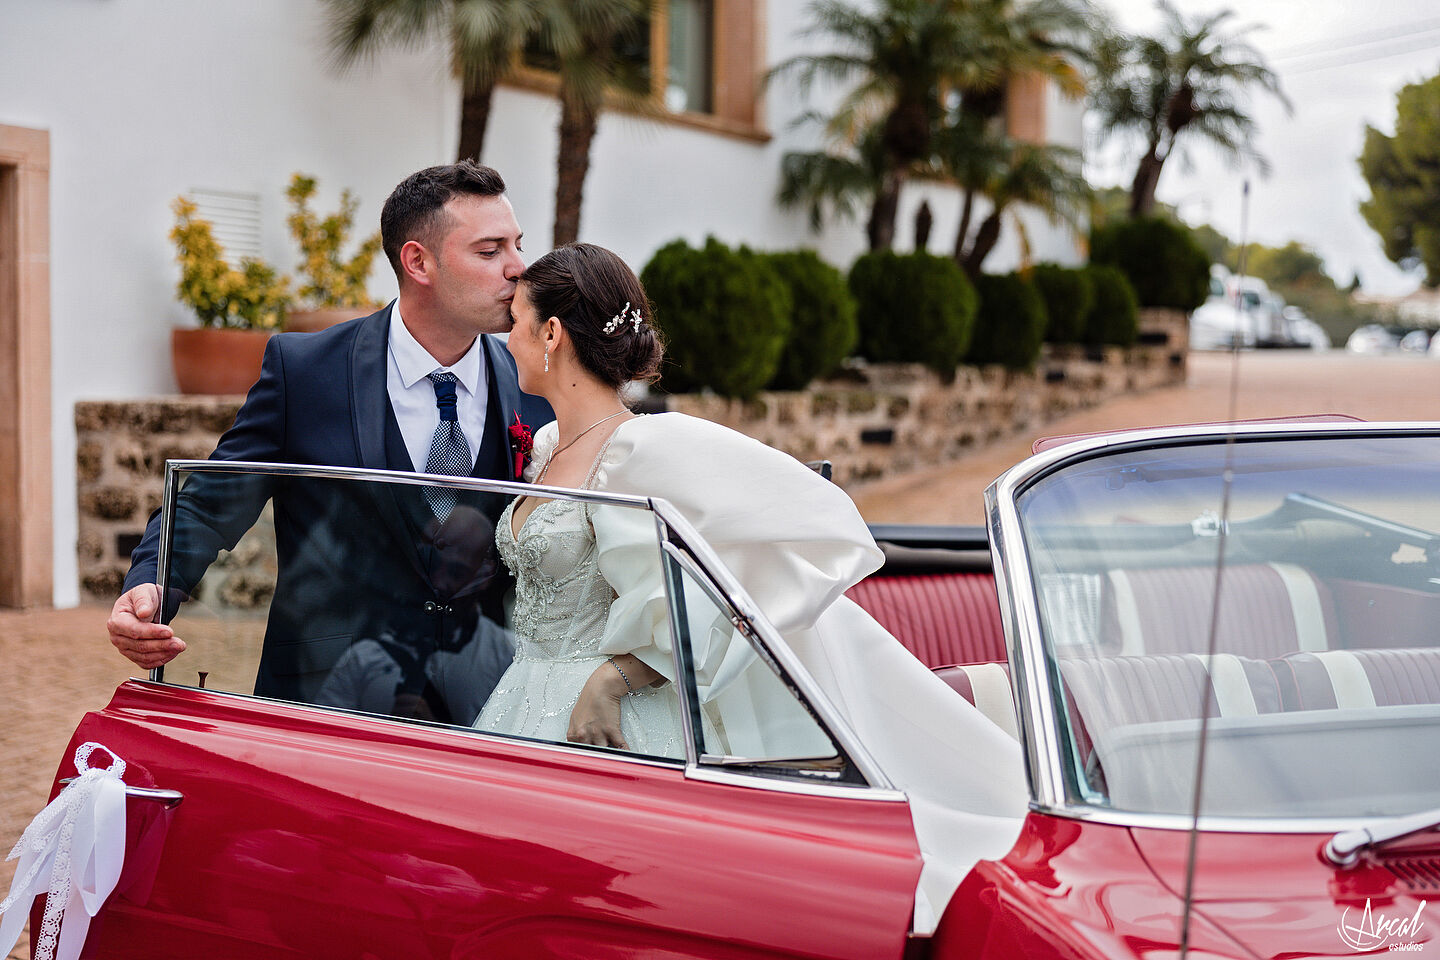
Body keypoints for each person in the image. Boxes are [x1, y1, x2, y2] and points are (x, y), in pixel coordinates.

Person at [475, 243, 1028, 929]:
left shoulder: (644, 447)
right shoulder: (549, 443)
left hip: (609, 718)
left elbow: (816, 526)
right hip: (524, 693)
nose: (508, 340)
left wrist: (618, 675)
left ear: (552, 335)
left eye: (516, 322)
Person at [106, 161, 554, 703]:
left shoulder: (538, 381)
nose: (517, 268)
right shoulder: (306, 372)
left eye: (517, 245)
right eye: (490, 251)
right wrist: (151, 583)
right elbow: (210, 501)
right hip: (330, 694)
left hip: (489, 698)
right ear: (418, 262)